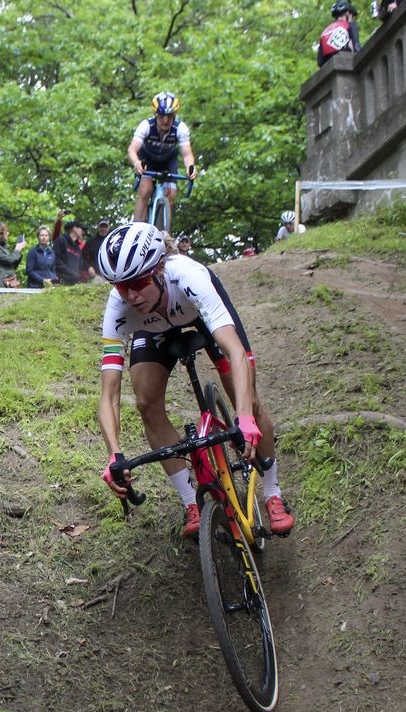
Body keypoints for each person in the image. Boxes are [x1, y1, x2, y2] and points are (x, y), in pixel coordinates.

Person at [95, 222, 294, 537]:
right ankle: (191, 500)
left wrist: (243, 417)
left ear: (160, 268)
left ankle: (272, 492)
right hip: (155, 328)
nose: (131, 295)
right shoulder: (120, 306)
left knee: (249, 400)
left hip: (200, 314)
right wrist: (114, 453)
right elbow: (109, 395)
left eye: (139, 281)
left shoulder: (188, 275)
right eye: (121, 286)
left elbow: (235, 352)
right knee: (146, 403)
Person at [128, 92, 195, 225]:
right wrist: (136, 163)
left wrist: (190, 168)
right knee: (145, 190)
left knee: (170, 195)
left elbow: (187, 154)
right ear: (156, 115)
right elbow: (132, 149)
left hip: (168, 161)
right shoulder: (146, 126)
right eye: (161, 116)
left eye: (169, 116)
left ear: (174, 116)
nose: (165, 120)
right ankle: (136, 228)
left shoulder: (180, 128)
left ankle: (164, 233)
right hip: (148, 159)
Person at [319, 2, 361, 67]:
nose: (353, 19)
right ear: (348, 14)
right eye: (352, 17)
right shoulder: (350, 26)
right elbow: (357, 48)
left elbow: (320, 62)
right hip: (347, 65)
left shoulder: (324, 33)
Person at [0, 221, 25, 289]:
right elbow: (9, 260)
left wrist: (19, 251)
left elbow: (13, 265)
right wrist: (17, 250)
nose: (8, 233)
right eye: (6, 232)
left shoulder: (3, 248)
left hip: (9, 282)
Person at [51, 212, 85, 285]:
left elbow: (80, 264)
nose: (83, 232)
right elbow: (55, 260)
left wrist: (77, 275)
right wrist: (70, 272)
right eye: (81, 229)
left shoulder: (78, 247)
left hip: (74, 283)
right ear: (75, 228)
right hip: (59, 282)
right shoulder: (61, 240)